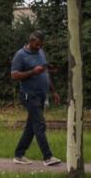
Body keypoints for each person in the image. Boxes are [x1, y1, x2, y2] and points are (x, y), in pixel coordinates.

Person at [10, 31, 62, 166]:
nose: (39, 47)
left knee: (31, 127)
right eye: (37, 44)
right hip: (29, 95)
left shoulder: (41, 52)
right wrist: (33, 71)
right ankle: (48, 157)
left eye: (41, 45)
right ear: (31, 41)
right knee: (39, 124)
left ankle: (19, 155)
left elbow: (45, 73)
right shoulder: (20, 55)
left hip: (41, 94)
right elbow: (14, 75)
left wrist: (53, 92)